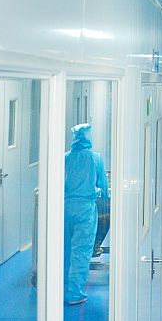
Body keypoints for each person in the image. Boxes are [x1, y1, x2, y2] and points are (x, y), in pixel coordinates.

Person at [64, 123, 109, 305]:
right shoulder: (96, 159)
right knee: (81, 251)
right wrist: (98, 192)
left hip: (65, 209)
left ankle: (62, 287)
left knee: (65, 249)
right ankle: (75, 293)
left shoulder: (65, 158)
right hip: (85, 211)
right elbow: (104, 189)